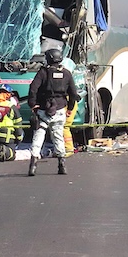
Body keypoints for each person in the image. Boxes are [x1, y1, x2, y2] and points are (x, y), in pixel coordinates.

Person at [27, 48, 79, 176]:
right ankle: (62, 165)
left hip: (43, 110)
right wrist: (70, 108)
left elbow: (33, 88)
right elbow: (73, 93)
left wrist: (33, 104)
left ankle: (33, 165)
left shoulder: (43, 72)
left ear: (49, 58)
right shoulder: (66, 73)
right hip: (60, 109)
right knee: (58, 136)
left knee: (38, 136)